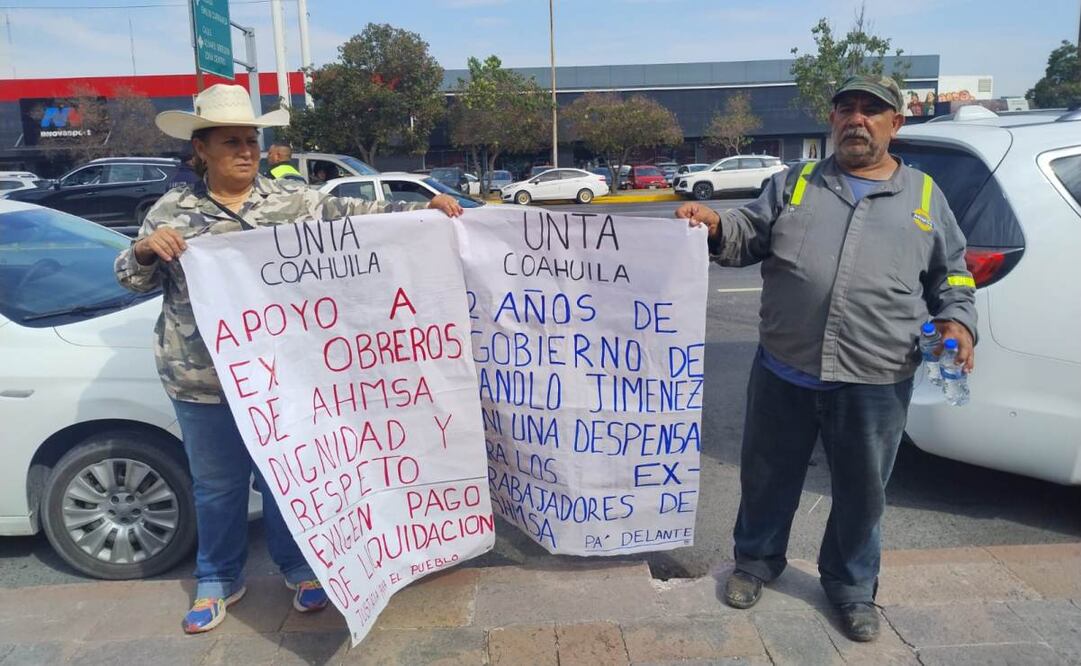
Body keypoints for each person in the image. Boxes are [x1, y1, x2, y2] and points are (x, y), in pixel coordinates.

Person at [114, 84, 464, 635]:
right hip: (201, 381)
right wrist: (142, 250)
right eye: (231, 142)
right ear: (201, 149)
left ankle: (299, 568)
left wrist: (422, 210)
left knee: (289, 478)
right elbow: (131, 280)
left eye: (251, 141)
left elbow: (358, 215)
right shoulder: (170, 212)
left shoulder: (293, 202)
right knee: (217, 486)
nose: (245, 151)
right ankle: (218, 578)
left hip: (283, 380)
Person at [676, 75, 976, 642]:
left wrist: (958, 320)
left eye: (872, 111)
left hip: (876, 377)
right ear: (833, 119)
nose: (857, 119)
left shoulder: (925, 196)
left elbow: (952, 273)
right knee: (767, 478)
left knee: (863, 494)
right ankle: (755, 562)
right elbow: (746, 233)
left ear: (895, 124)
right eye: (847, 109)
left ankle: (851, 587)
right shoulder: (794, 183)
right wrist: (715, 225)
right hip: (784, 368)